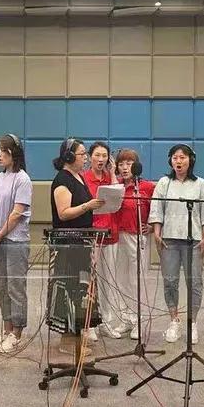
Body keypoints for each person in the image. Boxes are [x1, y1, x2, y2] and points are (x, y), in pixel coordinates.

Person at [148, 144, 204, 344]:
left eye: (182, 157)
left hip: (194, 240)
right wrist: (157, 232)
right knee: (170, 281)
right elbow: (157, 208)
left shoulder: (200, 183)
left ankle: (192, 322)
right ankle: (174, 320)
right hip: (169, 240)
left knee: (194, 281)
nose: (178, 161)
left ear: (190, 160)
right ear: (170, 161)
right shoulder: (164, 183)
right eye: (175, 157)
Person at [51, 139, 105, 354]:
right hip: (68, 246)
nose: (86, 158)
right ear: (69, 156)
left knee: (81, 290)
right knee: (69, 289)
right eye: (82, 154)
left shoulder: (78, 177)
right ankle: (68, 340)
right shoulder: (62, 180)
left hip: (82, 242)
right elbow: (64, 213)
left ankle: (78, 335)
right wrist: (87, 206)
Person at [0, 133, 32, 354]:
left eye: (2, 150)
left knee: (15, 287)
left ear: (13, 153)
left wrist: (0, 234)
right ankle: (6, 330)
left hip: (16, 241)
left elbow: (16, 214)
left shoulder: (23, 179)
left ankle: (17, 333)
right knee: (2, 286)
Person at [113, 149, 155, 341]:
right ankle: (126, 319)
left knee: (136, 280)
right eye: (121, 164)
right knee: (121, 280)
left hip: (137, 237)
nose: (124, 168)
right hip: (118, 237)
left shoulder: (146, 187)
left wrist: (152, 227)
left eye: (129, 164)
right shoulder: (116, 186)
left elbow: (157, 211)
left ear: (136, 166)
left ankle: (139, 320)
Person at [82, 141, 120, 340]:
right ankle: (89, 323)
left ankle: (107, 321)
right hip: (92, 234)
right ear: (90, 157)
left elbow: (117, 199)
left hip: (110, 234)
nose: (101, 159)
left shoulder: (109, 178)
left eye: (104, 156)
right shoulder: (83, 178)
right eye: (97, 155)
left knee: (108, 281)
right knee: (90, 280)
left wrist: (112, 173)